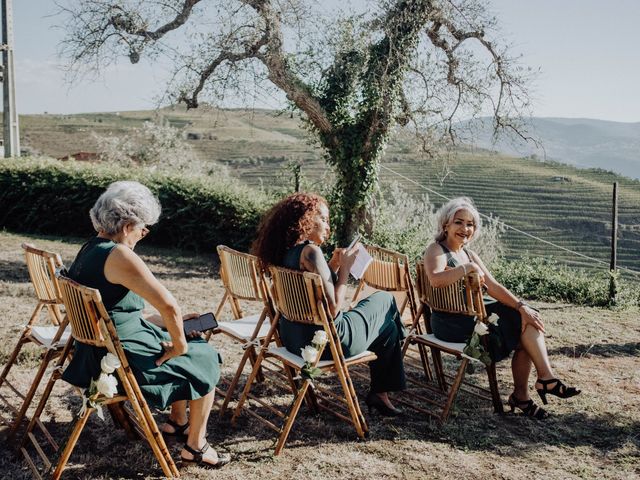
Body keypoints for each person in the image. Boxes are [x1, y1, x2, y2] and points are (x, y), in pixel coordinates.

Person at [62, 181, 230, 468]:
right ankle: (196, 446)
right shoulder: (119, 255)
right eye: (143, 225)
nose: (145, 232)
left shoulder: (91, 247)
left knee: (191, 345)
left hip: (97, 349)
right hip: (119, 359)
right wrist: (178, 345)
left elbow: (115, 310)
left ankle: (177, 422)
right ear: (127, 225)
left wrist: (166, 326)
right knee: (204, 358)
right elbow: (168, 305)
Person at [423, 196, 580, 419]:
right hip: (450, 324)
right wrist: (468, 268)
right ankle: (529, 391)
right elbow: (436, 279)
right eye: (459, 222)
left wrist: (521, 306)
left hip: (473, 318)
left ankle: (539, 381)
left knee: (526, 318)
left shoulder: (469, 254)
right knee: (522, 327)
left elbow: (493, 286)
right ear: (446, 224)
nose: (465, 228)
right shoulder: (436, 250)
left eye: (470, 224)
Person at [252, 192, 406, 416]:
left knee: (388, 328)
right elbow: (333, 309)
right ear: (304, 220)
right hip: (329, 342)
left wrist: (333, 264)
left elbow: (313, 294)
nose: (328, 227)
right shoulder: (311, 251)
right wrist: (344, 269)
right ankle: (392, 361)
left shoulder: (286, 254)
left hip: (294, 339)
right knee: (385, 299)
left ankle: (380, 394)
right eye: (323, 219)